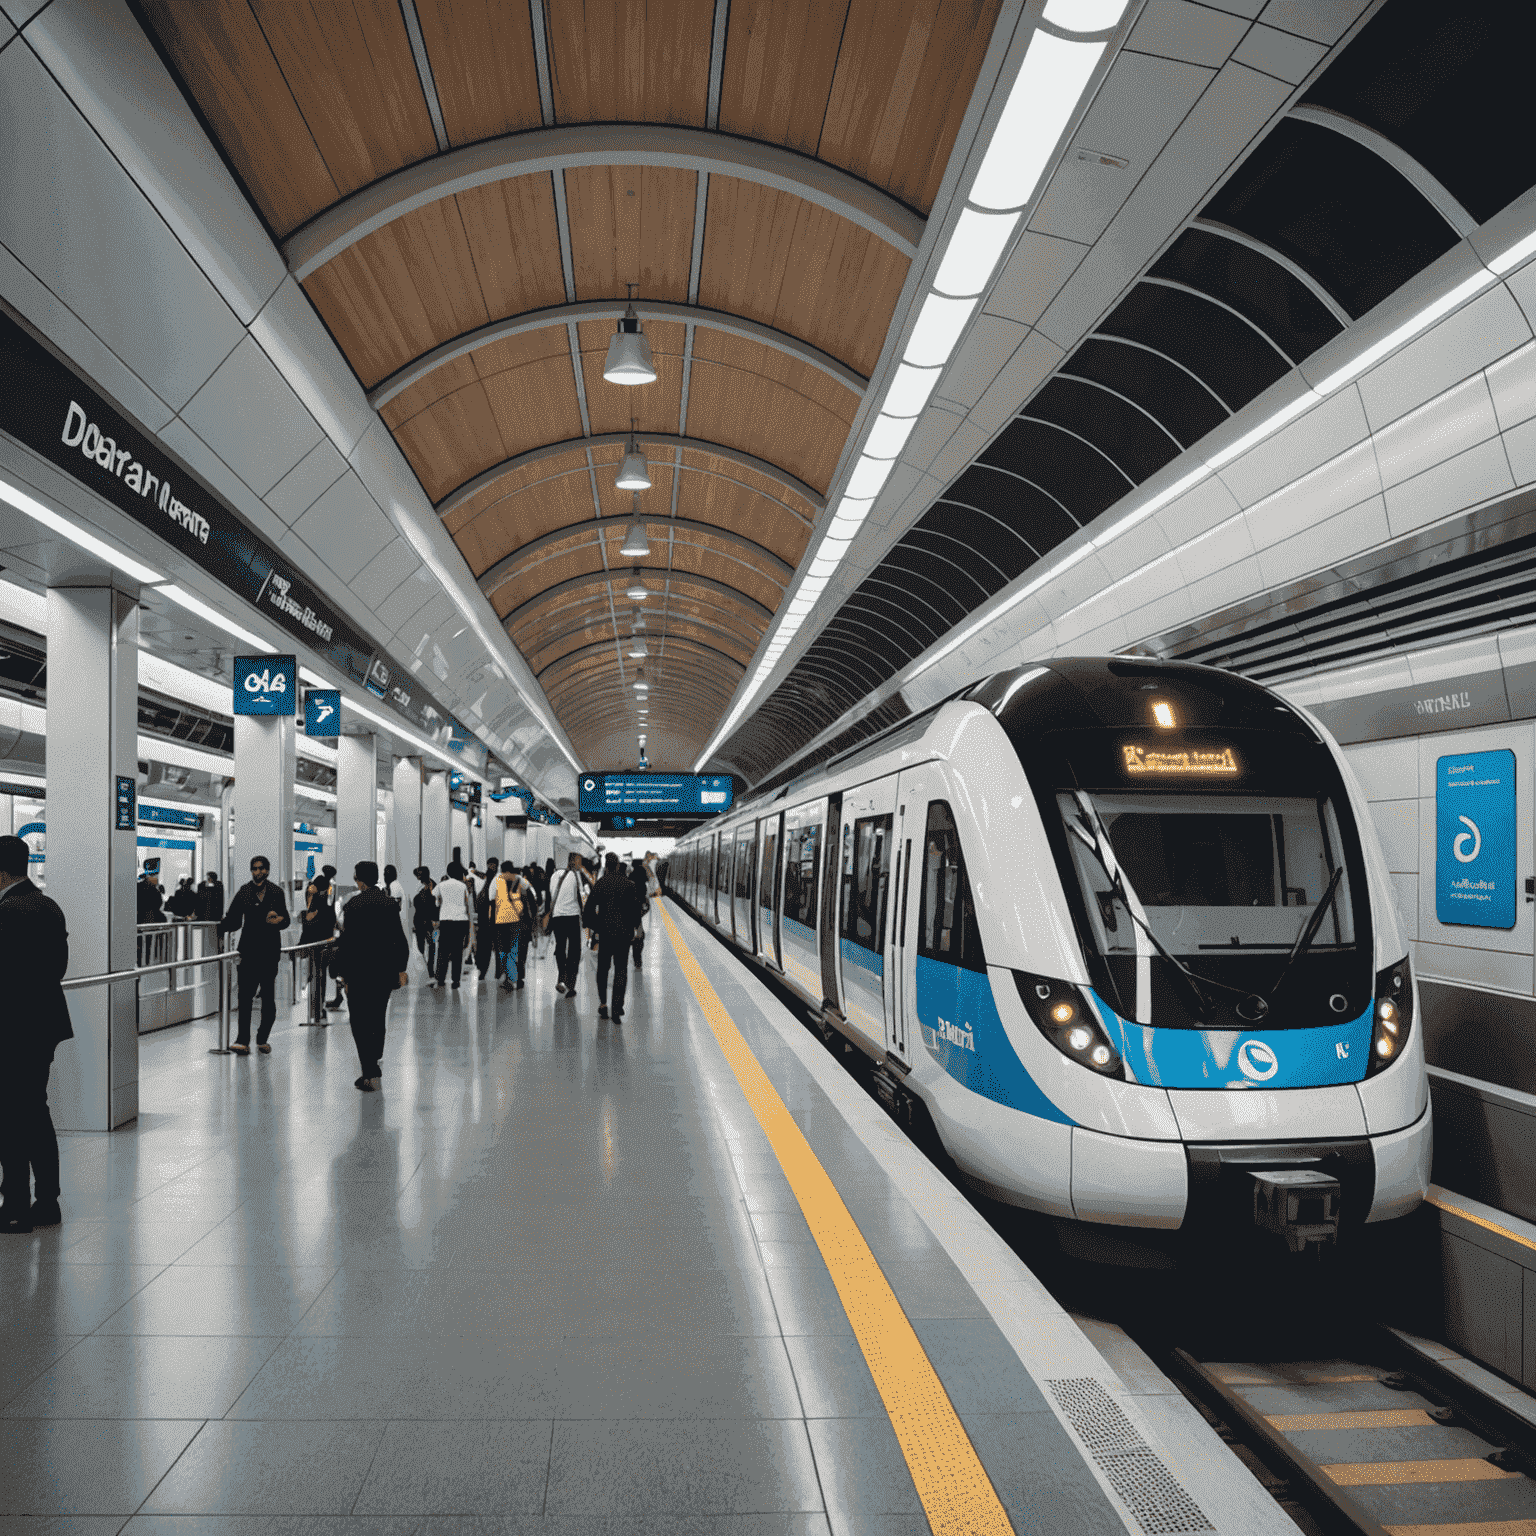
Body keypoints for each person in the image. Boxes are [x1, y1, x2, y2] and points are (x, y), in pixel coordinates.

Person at [0, 834, 72, 1233]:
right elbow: (56, 968)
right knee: (34, 1111)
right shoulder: (48, 905)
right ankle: (47, 1200)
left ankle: (14, 1206)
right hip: (43, 1025)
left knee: (11, 1117)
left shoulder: (9, 912)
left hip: (13, 1028)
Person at [330, 860, 408, 1092]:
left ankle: (368, 1070)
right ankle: (375, 1056)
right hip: (384, 970)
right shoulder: (389, 904)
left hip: (360, 971)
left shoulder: (353, 905)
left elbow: (347, 943)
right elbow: (399, 940)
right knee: (377, 1015)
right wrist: (401, 968)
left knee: (359, 1021)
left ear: (359, 879)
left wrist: (343, 974)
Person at [217, 854, 291, 1055]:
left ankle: (262, 1037)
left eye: (261, 868)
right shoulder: (244, 892)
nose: (258, 872)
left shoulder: (276, 892)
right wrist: (218, 927)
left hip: (269, 952)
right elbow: (234, 920)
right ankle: (242, 1040)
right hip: (248, 951)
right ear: (251, 871)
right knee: (245, 997)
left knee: (268, 998)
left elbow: (286, 920)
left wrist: (278, 921)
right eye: (254, 869)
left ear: (267, 870)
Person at [582, 852, 643, 1023]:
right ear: (617, 865)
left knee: (603, 969)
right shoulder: (629, 885)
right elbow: (635, 911)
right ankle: (617, 1008)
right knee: (621, 970)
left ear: (606, 866)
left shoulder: (600, 884)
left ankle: (603, 1004)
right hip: (624, 935)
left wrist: (597, 926)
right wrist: (636, 929)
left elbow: (588, 911)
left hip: (606, 934)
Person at [549, 851, 592, 996]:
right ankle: (571, 985)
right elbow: (582, 897)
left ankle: (561, 978)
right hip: (572, 917)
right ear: (574, 862)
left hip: (557, 917)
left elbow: (551, 896)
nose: (580, 866)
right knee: (574, 951)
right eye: (579, 862)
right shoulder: (576, 875)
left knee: (560, 947)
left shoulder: (555, 875)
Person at [300, 870, 337, 1021]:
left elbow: (309, 921)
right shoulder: (327, 904)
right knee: (318, 977)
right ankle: (317, 1009)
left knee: (316, 976)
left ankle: (316, 1009)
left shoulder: (318, 905)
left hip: (317, 946)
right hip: (323, 944)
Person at [433, 860, 472, 989]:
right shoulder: (463, 886)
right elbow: (466, 904)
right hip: (461, 921)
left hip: (446, 921)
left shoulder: (442, 885)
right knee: (457, 952)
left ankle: (441, 978)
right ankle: (456, 980)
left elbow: (434, 897)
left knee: (443, 951)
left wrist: (440, 904)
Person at [492, 865, 527, 992]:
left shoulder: (498, 881)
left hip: (503, 921)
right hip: (517, 921)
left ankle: (510, 979)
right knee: (514, 951)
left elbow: (492, 900)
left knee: (505, 951)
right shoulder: (520, 881)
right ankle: (515, 979)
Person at [473, 856, 501, 980]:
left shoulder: (498, 881)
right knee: (484, 947)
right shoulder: (483, 882)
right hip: (484, 921)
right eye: (490, 865)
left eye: (494, 866)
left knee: (498, 946)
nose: (492, 868)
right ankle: (482, 970)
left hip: (496, 920)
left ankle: (499, 971)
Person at [629, 857, 652, 970]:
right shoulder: (643, 875)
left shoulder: (631, 876)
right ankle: (637, 958)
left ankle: (635, 956)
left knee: (632, 934)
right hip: (639, 910)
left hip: (631, 909)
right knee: (639, 934)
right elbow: (646, 893)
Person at [411, 868, 436, 972]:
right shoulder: (419, 887)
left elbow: (435, 903)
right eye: (417, 875)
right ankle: (426, 964)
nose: (418, 877)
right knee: (420, 945)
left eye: (420, 875)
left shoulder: (433, 886)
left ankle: (430, 967)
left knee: (431, 944)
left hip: (429, 920)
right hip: (419, 920)